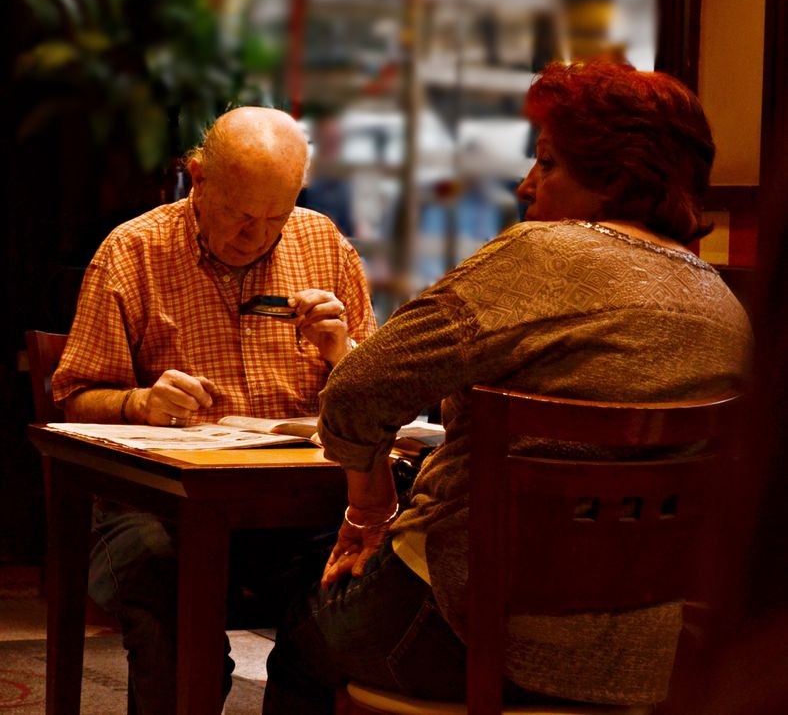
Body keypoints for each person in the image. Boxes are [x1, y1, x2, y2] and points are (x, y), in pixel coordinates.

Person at [262, 60, 754, 714]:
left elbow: (357, 390)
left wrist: (369, 507)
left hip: (465, 634)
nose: (527, 187)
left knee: (301, 626)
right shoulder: (724, 306)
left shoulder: (539, 255)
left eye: (548, 164)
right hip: (645, 663)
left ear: (613, 177)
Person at [51, 106, 376, 715]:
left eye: (275, 217)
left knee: (360, 589)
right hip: (158, 505)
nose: (257, 237)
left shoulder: (324, 244)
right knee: (169, 607)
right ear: (197, 178)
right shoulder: (133, 252)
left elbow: (376, 399)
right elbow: (71, 399)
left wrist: (343, 352)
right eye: (240, 215)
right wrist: (140, 402)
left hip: (293, 503)